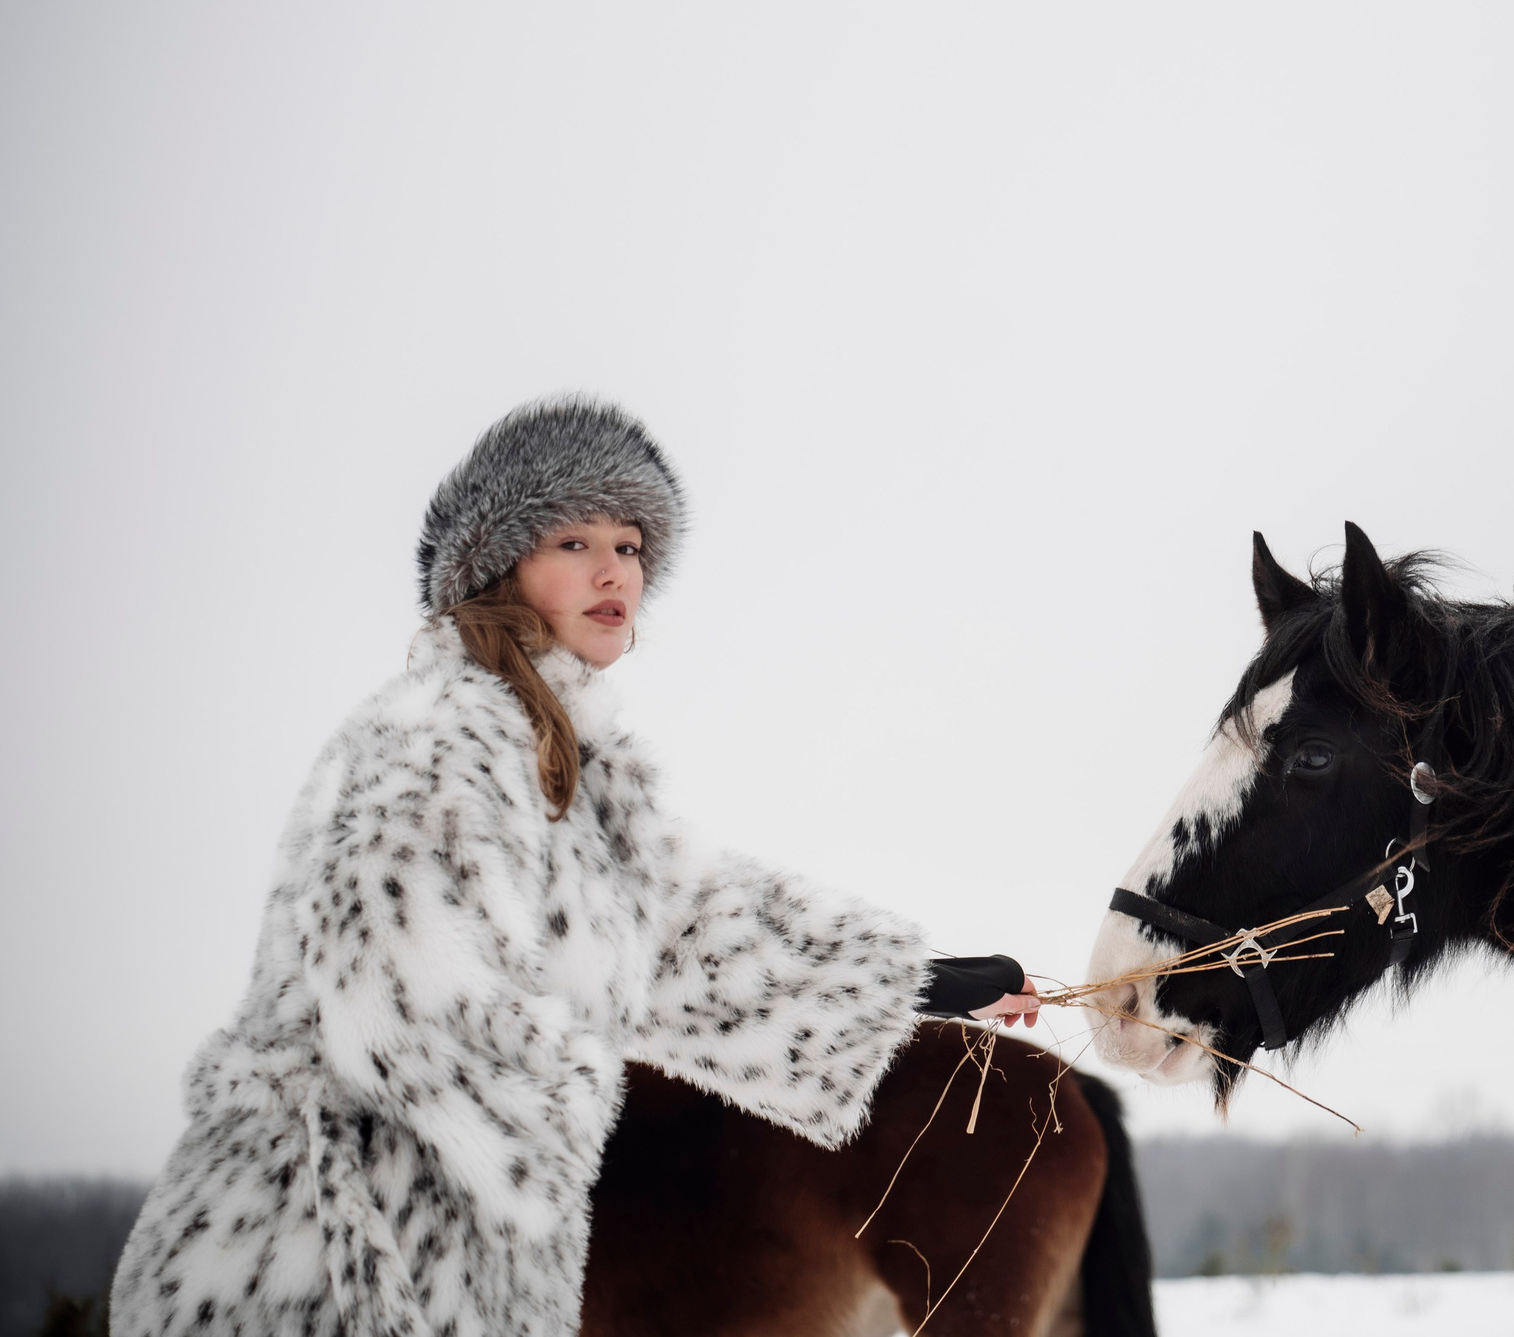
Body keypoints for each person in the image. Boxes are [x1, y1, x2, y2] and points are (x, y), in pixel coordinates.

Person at [112, 396, 1040, 1337]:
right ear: (498, 562)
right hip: (305, 1261)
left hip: (448, 1257)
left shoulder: (563, 769)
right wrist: (589, 1095)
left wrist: (916, 985)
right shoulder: (437, 735)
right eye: (572, 539)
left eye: (632, 546)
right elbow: (406, 1005)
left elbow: (685, 937)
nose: (614, 570)